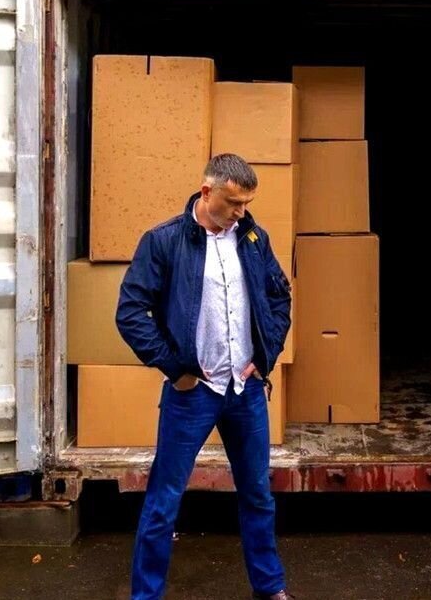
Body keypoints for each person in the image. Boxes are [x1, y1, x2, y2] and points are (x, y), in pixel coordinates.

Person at [116, 153, 294, 600]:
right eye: (234, 202)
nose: (241, 211)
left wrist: (265, 355)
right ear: (207, 191)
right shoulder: (164, 241)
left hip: (245, 389)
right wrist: (175, 369)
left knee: (258, 495)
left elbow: (278, 297)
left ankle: (270, 588)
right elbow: (131, 312)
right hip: (193, 391)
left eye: (247, 203)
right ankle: (146, 596)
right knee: (164, 501)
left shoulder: (253, 238)